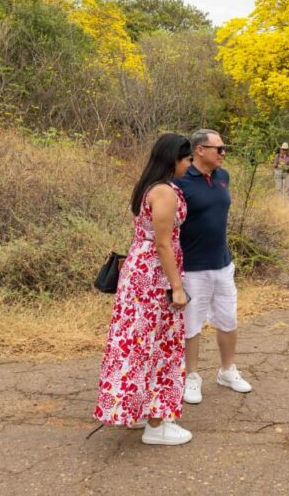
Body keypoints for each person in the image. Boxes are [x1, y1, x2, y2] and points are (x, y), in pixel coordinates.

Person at [95, 133, 193, 445]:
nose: (189, 164)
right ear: (173, 160)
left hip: (139, 272)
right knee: (160, 343)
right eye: (186, 158)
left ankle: (135, 411)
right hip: (153, 277)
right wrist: (176, 287)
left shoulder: (148, 186)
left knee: (136, 341)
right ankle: (157, 423)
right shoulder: (164, 192)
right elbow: (162, 243)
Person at [175, 129, 252, 406]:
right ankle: (191, 376)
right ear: (199, 150)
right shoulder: (180, 180)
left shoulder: (223, 177)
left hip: (222, 263)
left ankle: (227, 370)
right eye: (218, 149)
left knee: (228, 319)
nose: (223, 153)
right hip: (193, 266)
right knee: (191, 324)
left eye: (224, 149)